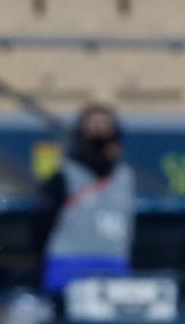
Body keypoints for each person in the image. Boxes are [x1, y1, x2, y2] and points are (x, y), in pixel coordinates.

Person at [38, 103, 136, 298]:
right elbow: (43, 223)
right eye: (93, 125)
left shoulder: (125, 177)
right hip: (68, 265)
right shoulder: (63, 175)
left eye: (105, 125)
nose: (99, 132)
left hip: (113, 264)